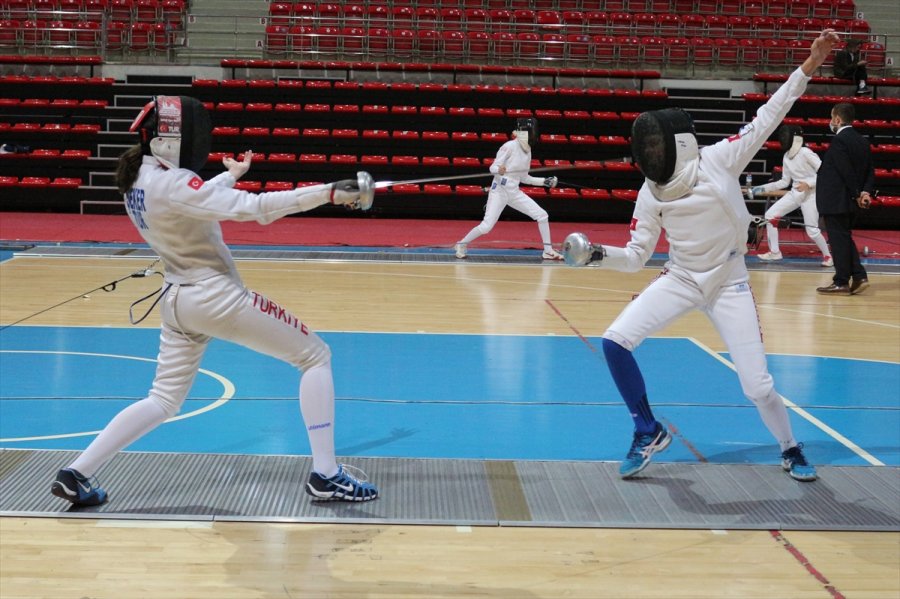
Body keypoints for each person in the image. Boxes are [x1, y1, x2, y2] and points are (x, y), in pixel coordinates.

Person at [50, 96, 379, 506]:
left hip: (177, 302)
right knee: (315, 356)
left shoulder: (137, 179)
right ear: (174, 139)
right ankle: (326, 475)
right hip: (214, 298)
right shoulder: (170, 184)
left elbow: (193, 201)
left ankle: (76, 472)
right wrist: (328, 192)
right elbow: (255, 209)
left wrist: (230, 177)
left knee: (163, 399)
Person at [561, 30, 843, 482]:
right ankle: (647, 430)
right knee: (615, 341)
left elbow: (772, 114)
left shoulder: (720, 159)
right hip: (682, 278)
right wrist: (595, 254)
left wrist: (809, 65)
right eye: (647, 148)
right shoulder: (650, 193)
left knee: (757, 385)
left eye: (656, 146)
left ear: (678, 144)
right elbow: (636, 257)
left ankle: (790, 447)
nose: (652, 154)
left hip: (729, 280)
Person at [454, 118, 564, 261]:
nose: (533, 135)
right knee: (487, 226)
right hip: (499, 191)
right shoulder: (509, 146)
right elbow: (492, 168)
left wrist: (545, 182)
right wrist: (499, 171)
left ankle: (548, 251)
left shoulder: (528, 151)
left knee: (542, 215)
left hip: (513, 192)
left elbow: (525, 178)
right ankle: (461, 244)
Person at [814, 101, 875, 295]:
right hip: (849, 201)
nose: (830, 122)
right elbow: (870, 171)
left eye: (832, 118)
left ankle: (844, 280)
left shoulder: (840, 141)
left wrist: (856, 193)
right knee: (843, 238)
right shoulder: (862, 140)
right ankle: (856, 276)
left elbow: (845, 171)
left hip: (837, 201)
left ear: (838, 119)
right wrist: (865, 191)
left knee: (839, 240)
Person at [753, 124, 832, 266]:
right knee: (770, 216)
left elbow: (825, 172)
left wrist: (809, 183)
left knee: (812, 231)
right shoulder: (786, 156)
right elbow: (783, 182)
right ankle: (775, 253)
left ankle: (828, 257)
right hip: (796, 193)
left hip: (811, 195)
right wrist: (759, 189)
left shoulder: (805, 152)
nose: (783, 139)